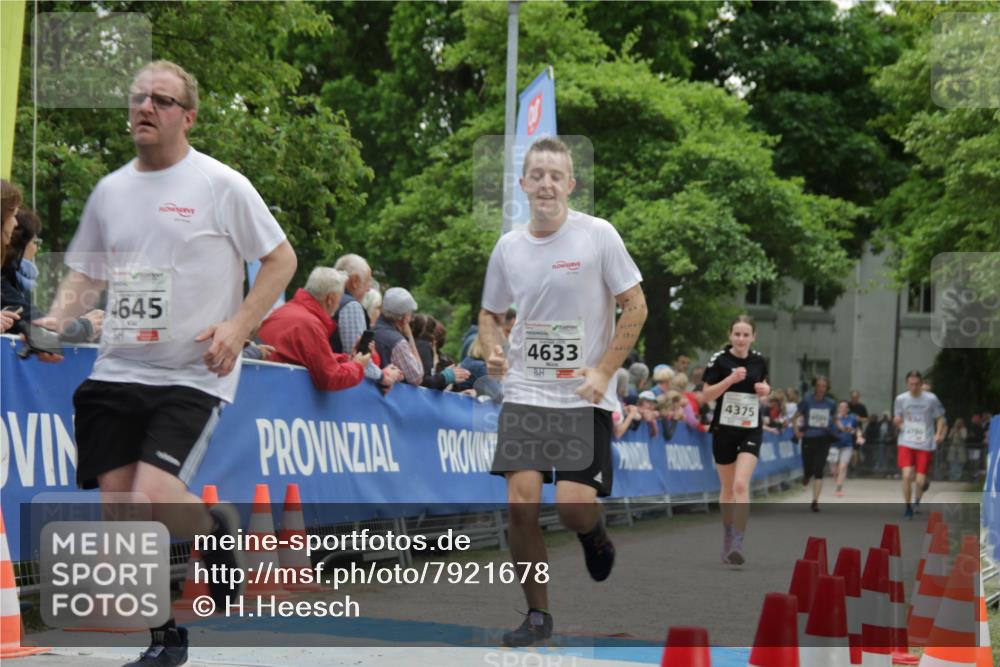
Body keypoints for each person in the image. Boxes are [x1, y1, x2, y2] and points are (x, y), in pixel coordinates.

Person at [43, 60, 297, 667]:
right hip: (116, 370)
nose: (145, 107)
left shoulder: (221, 185)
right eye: (138, 98)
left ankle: (212, 527)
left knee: (153, 495)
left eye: (161, 99)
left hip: (190, 372)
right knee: (121, 509)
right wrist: (54, 320)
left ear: (189, 116)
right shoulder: (111, 191)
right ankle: (165, 639)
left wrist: (239, 326)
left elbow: (281, 260)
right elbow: (86, 275)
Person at [479, 137, 646, 647]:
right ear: (524, 185)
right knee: (521, 506)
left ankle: (593, 532)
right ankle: (537, 615)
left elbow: (636, 306)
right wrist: (492, 348)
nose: (547, 183)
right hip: (526, 391)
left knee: (573, 508)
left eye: (557, 175)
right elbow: (490, 313)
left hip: (582, 397)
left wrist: (604, 371)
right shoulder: (508, 247)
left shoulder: (598, 235)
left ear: (571, 184)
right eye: (538, 175)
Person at [701, 315, 770, 565]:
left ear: (753, 337)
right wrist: (730, 380)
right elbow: (706, 395)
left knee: (741, 485)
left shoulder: (759, 360)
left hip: (750, 429)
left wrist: (766, 391)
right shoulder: (719, 360)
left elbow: (765, 388)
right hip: (724, 430)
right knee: (728, 488)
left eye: (746, 334)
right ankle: (728, 535)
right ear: (730, 335)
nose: (741, 339)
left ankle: (738, 542)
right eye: (737, 334)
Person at [257, 268, 373, 391]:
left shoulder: (285, 310)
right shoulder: (310, 324)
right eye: (339, 298)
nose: (339, 303)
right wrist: (357, 366)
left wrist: (347, 359)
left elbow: (314, 358)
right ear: (330, 299)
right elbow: (330, 378)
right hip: (279, 392)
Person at [331, 253, 403, 391]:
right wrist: (383, 376)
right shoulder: (351, 306)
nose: (369, 288)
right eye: (368, 281)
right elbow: (358, 358)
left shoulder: (328, 298)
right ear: (355, 281)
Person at [894, 370, 946, 519]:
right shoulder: (901, 399)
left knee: (920, 480)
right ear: (907, 384)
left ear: (921, 383)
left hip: (925, 443)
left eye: (917, 384)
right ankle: (908, 508)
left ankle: (920, 491)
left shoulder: (931, 399)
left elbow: (940, 418)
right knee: (906, 475)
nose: (914, 387)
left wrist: (938, 434)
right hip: (906, 441)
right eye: (911, 384)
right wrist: (898, 423)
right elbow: (897, 418)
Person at [793, 376, 837, 512]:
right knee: (809, 469)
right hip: (808, 438)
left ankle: (815, 501)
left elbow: (835, 419)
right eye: (819, 385)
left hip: (823, 439)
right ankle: (806, 476)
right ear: (815, 387)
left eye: (824, 386)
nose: (821, 388)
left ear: (827, 388)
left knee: (819, 469)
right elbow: (795, 417)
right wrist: (796, 431)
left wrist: (840, 427)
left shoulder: (831, 403)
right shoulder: (807, 400)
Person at [373, 286, 423, 385]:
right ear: (405, 317)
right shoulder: (398, 343)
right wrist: (410, 336)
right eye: (410, 314)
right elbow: (417, 377)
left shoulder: (370, 328)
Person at [830, 400, 859, 496]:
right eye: (841, 407)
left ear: (848, 409)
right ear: (838, 408)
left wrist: (858, 435)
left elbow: (856, 429)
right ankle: (837, 479)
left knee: (843, 467)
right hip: (833, 446)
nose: (843, 408)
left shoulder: (852, 419)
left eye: (845, 407)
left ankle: (839, 489)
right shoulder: (833, 418)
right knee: (834, 471)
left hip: (847, 446)